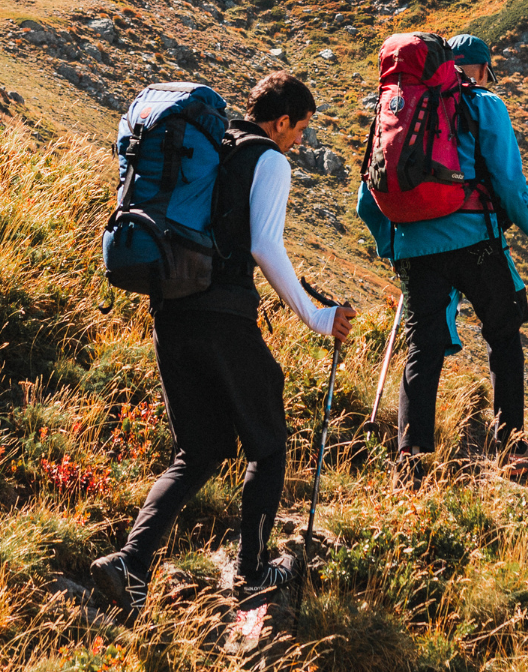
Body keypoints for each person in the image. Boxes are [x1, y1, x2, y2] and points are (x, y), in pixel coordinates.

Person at [92, 71, 355, 617]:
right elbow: (264, 245)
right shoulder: (269, 159)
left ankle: (129, 565)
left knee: (201, 450)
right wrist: (317, 316)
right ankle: (254, 573)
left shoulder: (213, 147)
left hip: (171, 309)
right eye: (300, 128)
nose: (300, 140)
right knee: (268, 441)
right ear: (281, 121)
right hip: (223, 314)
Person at [356, 33, 528, 478]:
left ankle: (410, 458)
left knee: (423, 349)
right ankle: (511, 447)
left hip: (415, 247)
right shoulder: (483, 104)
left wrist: (396, 249)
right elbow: (509, 185)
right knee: (504, 332)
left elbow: (366, 198)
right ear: (481, 68)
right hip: (475, 238)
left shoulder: (392, 109)